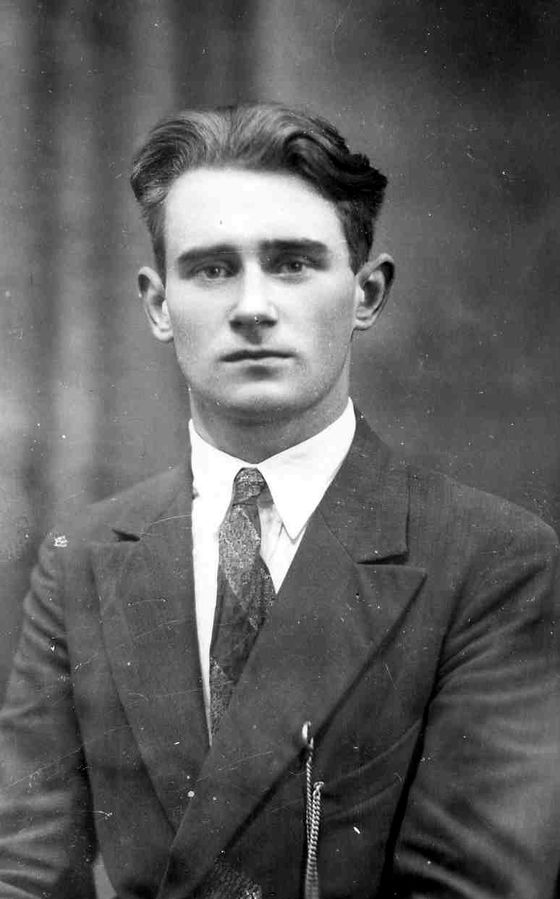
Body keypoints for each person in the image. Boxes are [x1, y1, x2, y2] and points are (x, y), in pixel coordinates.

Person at [0, 102, 559, 899]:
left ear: (367, 292)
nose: (253, 306)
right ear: (158, 304)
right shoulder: (82, 561)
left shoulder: (491, 561)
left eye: (293, 263)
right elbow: (22, 871)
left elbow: (473, 886)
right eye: (212, 269)